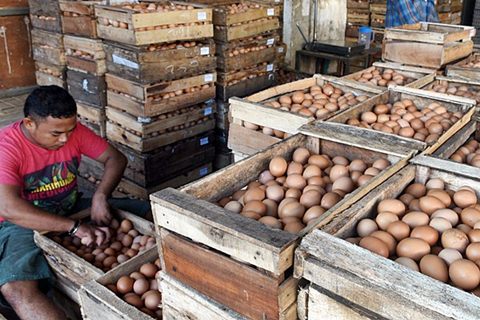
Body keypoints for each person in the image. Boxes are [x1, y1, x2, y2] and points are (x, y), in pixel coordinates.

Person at [0, 86, 148, 319]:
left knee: (148, 211)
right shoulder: (7, 147)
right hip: (23, 222)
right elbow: (8, 208)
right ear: (29, 124)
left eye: (70, 130)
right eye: (56, 133)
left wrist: (100, 196)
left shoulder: (72, 132)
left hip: (70, 207)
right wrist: (75, 228)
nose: (66, 138)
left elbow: (116, 159)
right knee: (15, 288)